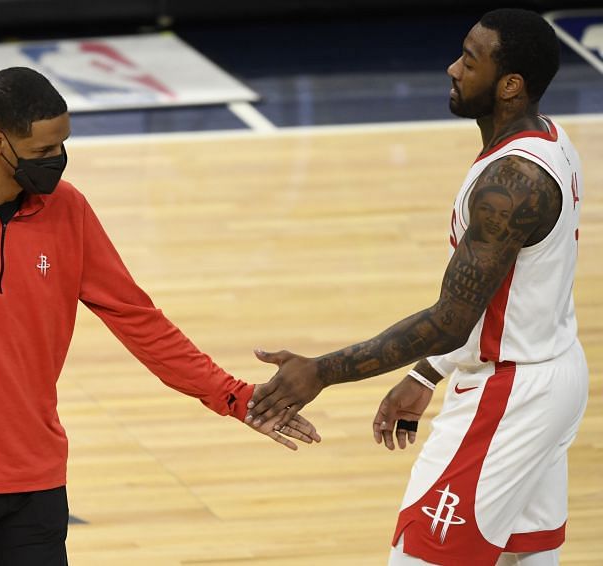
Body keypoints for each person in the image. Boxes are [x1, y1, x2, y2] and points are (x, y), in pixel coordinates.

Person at [0, 66, 320, 565]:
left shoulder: (68, 211)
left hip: (36, 481)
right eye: (44, 151)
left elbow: (142, 322)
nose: (58, 162)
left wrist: (237, 398)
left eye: (62, 146)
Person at [245, 9, 586, 565]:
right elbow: (512, 291)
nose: (453, 68)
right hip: (550, 374)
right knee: (522, 559)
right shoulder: (549, 138)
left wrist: (320, 371)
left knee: (419, 557)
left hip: (509, 394)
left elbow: (451, 317)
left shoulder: (511, 182)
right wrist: (430, 371)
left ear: (510, 85)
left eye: (469, 61)